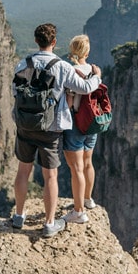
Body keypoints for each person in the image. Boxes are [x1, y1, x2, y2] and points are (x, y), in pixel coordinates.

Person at [12, 23, 102, 237]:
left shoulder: (21, 64)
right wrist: (96, 76)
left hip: (25, 126)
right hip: (50, 128)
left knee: (23, 170)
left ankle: (18, 215)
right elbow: (86, 88)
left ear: (36, 41)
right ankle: (50, 222)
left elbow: (16, 92)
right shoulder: (62, 67)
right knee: (50, 176)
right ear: (54, 42)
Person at [62, 34, 100, 224]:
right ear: (87, 51)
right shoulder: (94, 71)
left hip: (76, 124)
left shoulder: (71, 71)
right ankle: (88, 199)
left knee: (76, 168)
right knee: (88, 163)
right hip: (92, 124)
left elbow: (69, 102)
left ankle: (78, 212)